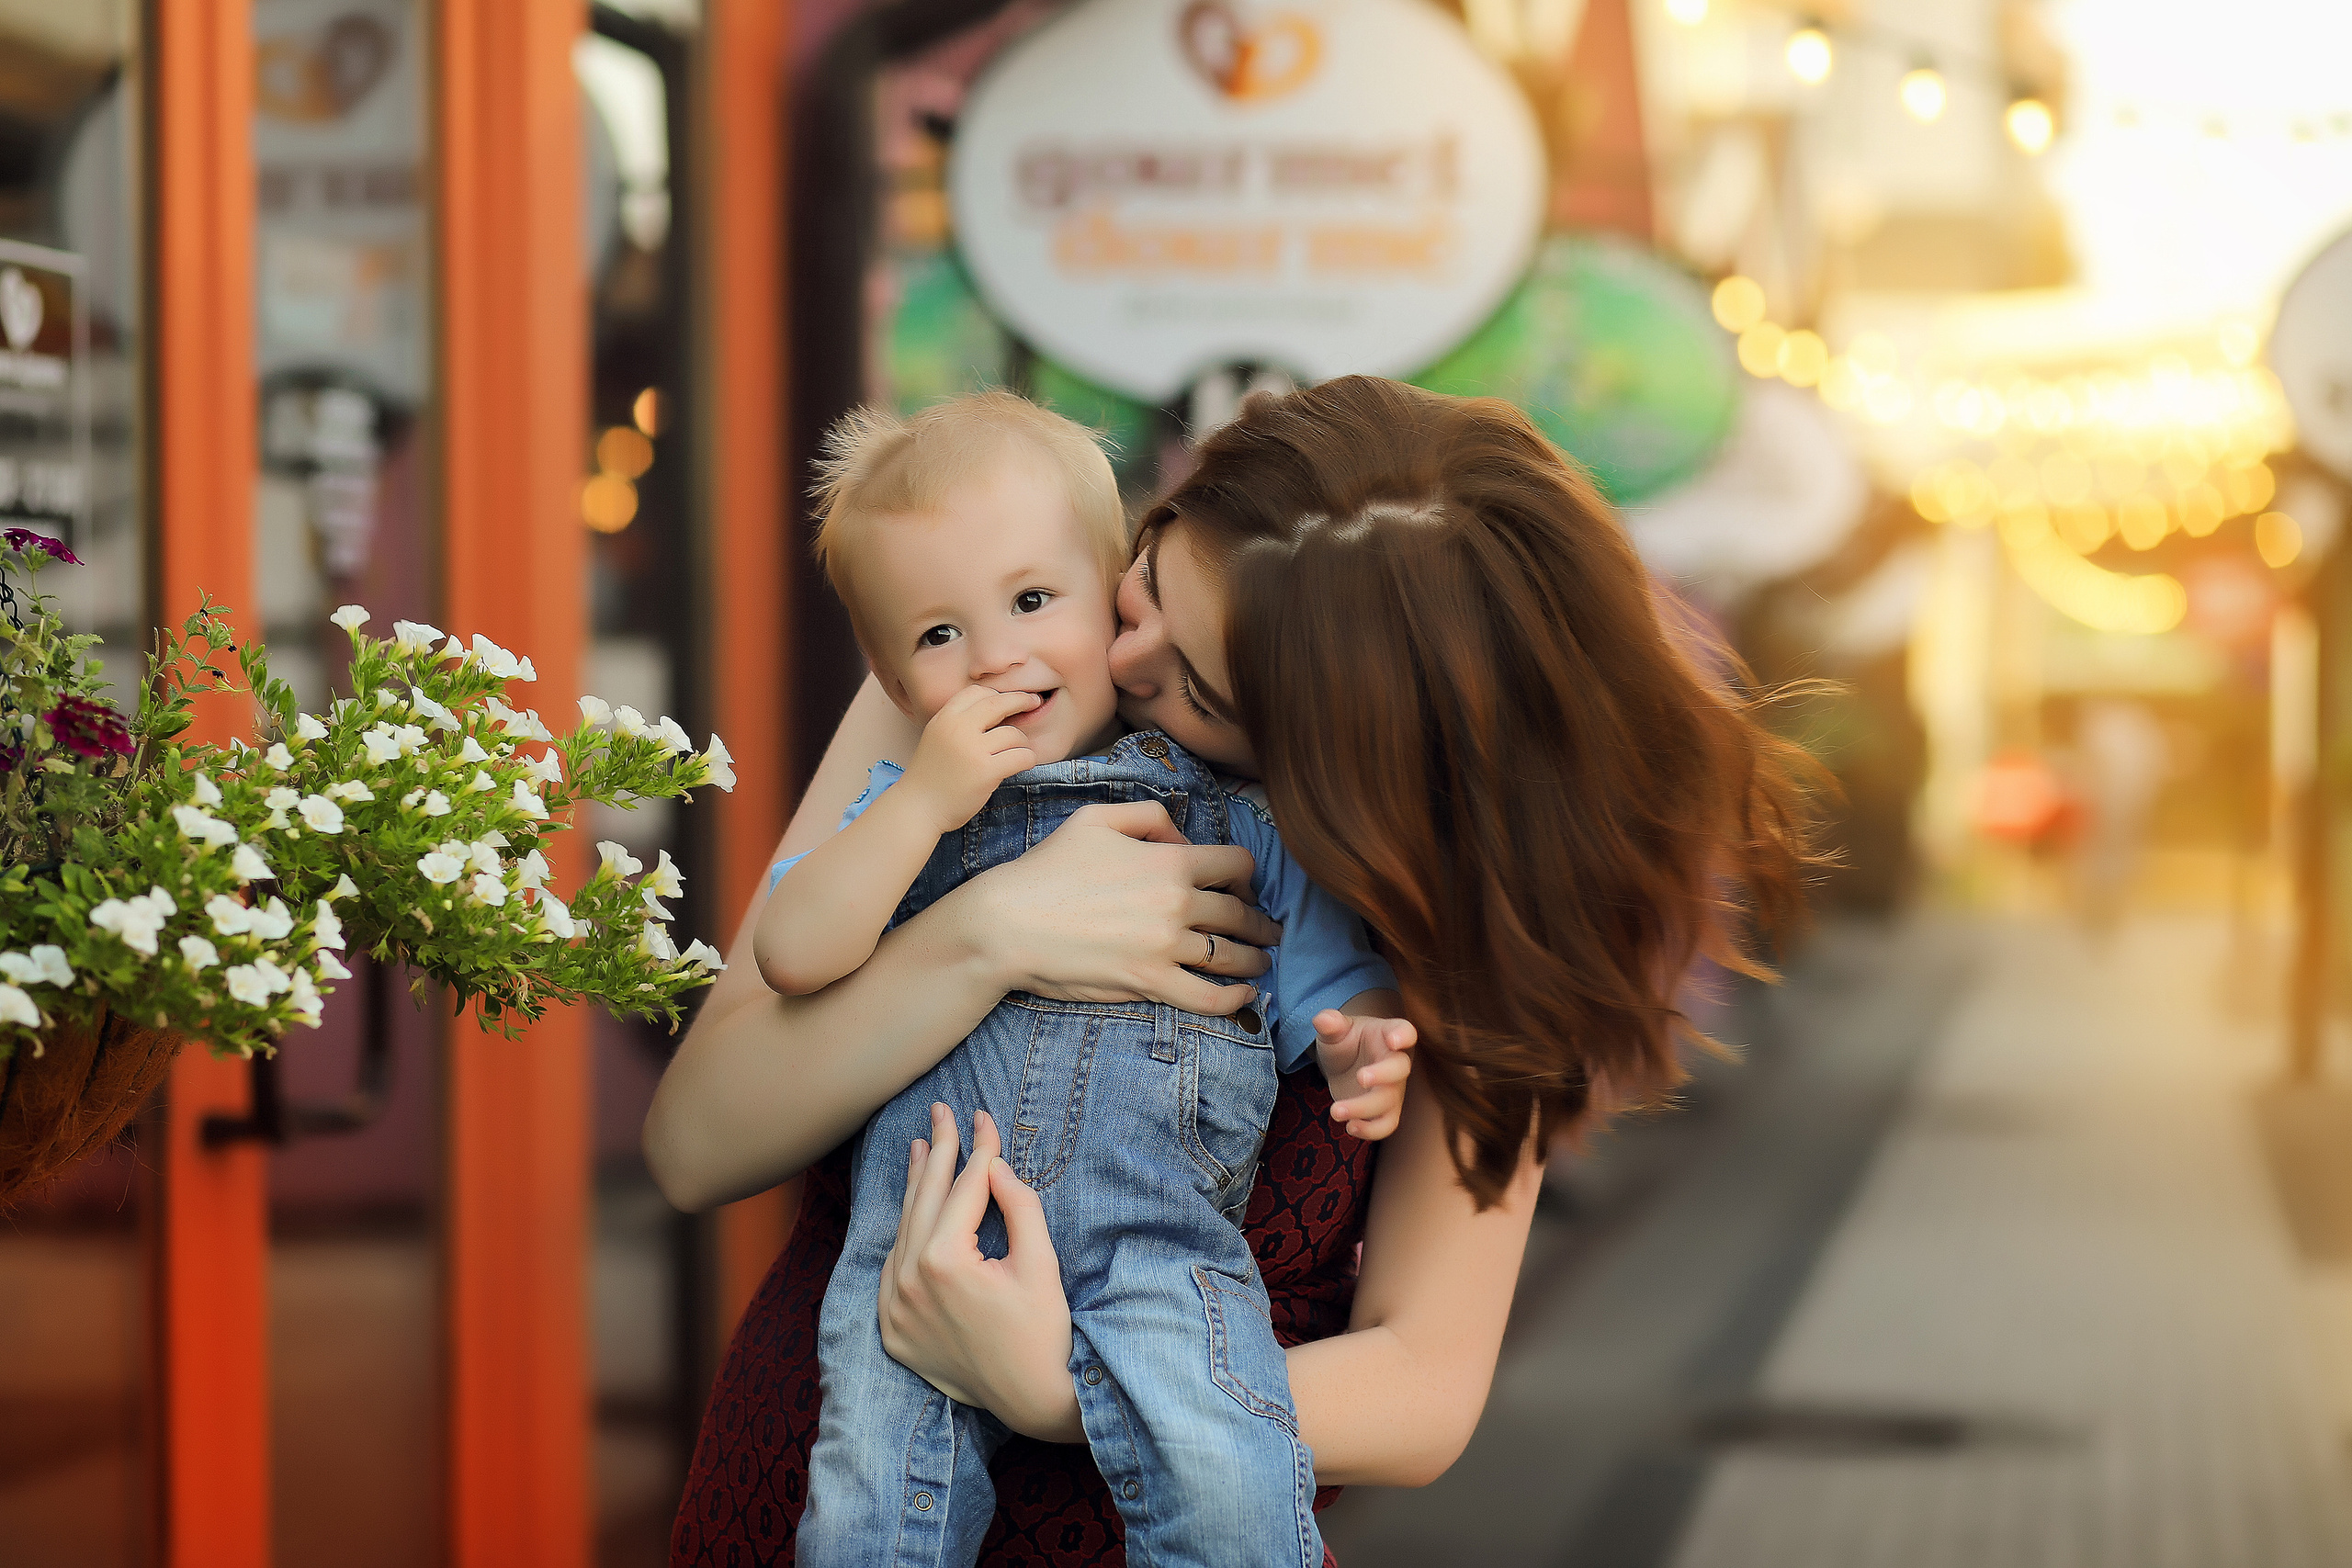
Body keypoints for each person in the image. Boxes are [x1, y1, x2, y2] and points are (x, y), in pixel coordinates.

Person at [650, 377, 1818, 1565]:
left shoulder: (1463, 916)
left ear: (1333, 755)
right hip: (820, 1463)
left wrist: (1065, 1387)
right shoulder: (985, 660)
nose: (1123, 650)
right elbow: (698, 1141)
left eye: (1200, 686)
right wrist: (988, 931)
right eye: (1147, 579)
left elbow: (1422, 1385)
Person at [762, 392, 1414, 1567]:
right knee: (868, 1503)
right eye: (937, 636)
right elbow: (794, 951)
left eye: (1029, 602)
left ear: (1104, 576)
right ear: (893, 681)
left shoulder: (1236, 815)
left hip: (1153, 1234)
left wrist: (1364, 1042)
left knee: (1228, 1481)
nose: (998, 656)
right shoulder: (904, 810)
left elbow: (1330, 976)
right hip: (924, 1231)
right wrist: (917, 804)